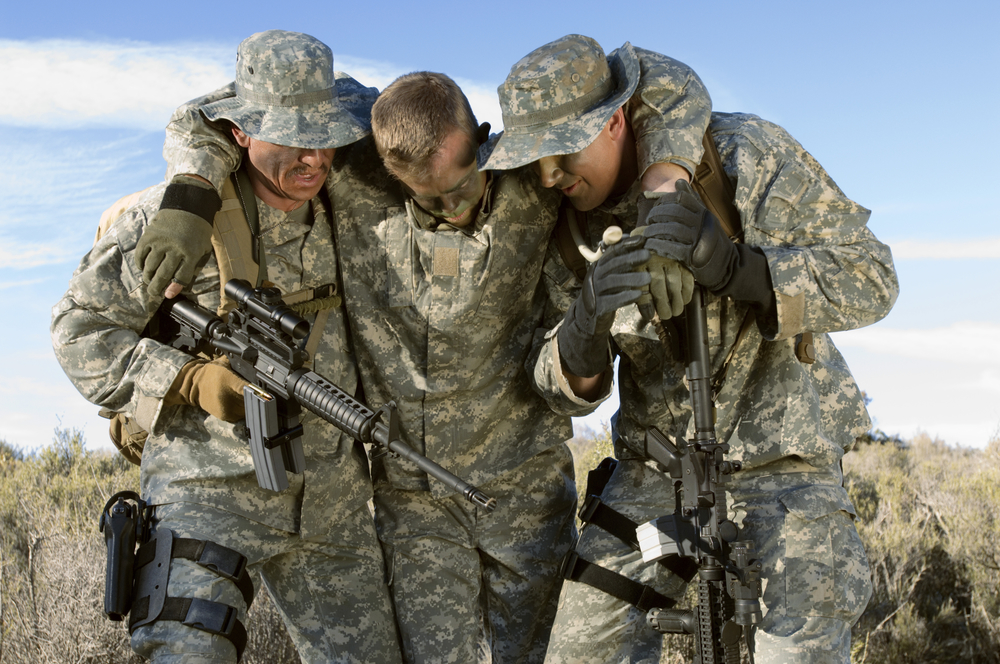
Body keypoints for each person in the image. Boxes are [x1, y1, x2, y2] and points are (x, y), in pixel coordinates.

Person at [136, 53, 712, 662]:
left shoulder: (530, 181)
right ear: (387, 168)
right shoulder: (352, 174)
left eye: (463, 183)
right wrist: (191, 192)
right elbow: (243, 111)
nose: (452, 207)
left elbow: (660, 83)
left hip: (525, 494)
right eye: (428, 198)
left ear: (483, 145)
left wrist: (664, 188)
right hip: (416, 509)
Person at [483, 34, 899, 664]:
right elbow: (549, 380)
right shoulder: (558, 219)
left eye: (562, 150)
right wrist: (582, 330)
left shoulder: (740, 155)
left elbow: (873, 278)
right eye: (534, 157)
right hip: (654, 476)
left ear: (616, 119)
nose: (548, 175)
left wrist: (745, 271)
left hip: (783, 470)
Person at [51, 31, 402, 664]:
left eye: (324, 133)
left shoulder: (348, 206)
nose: (312, 157)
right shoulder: (171, 222)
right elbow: (78, 331)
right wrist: (189, 381)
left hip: (331, 504)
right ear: (240, 132)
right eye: (291, 137)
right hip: (203, 492)